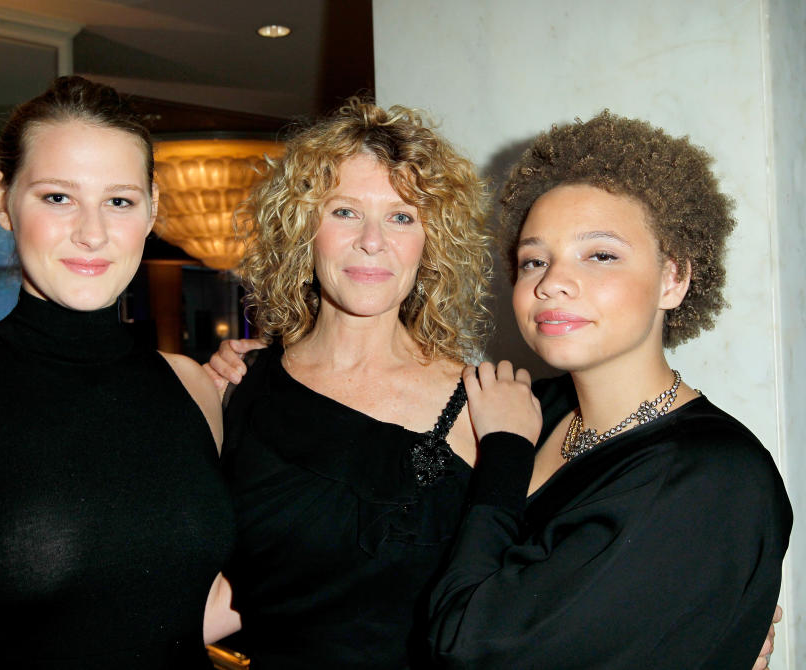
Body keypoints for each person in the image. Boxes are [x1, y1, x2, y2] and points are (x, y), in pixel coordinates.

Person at [0, 76, 234, 668]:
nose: (92, 232)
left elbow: (182, 605)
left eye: (120, 200)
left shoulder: (192, 385)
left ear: (153, 206)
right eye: (58, 197)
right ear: (1, 200)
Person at [428, 112, 793, 669]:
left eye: (600, 254)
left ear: (674, 279)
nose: (551, 282)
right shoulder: (528, 404)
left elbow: (465, 648)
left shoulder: (708, 475)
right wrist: (257, 368)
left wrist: (503, 455)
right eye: (534, 261)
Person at [203, 98, 491, 668]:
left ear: (431, 242)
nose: (372, 240)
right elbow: (219, 593)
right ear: (302, 227)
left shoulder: (487, 405)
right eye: (345, 212)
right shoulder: (235, 388)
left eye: (402, 216)